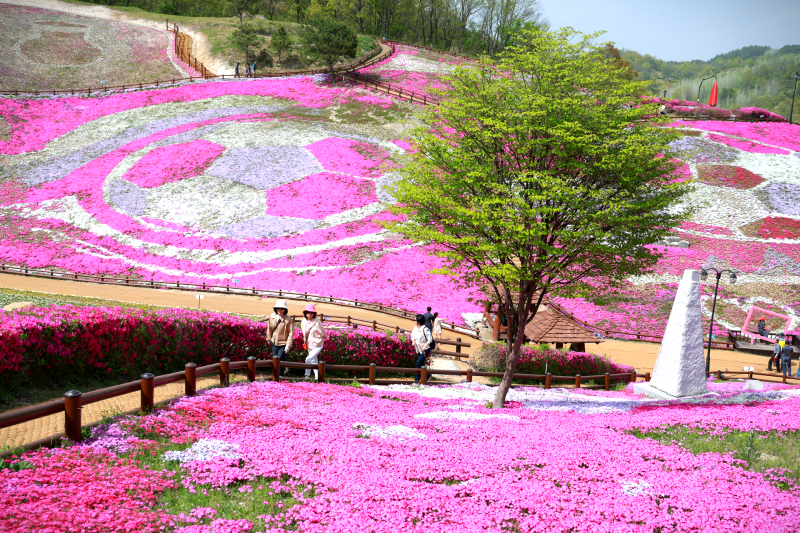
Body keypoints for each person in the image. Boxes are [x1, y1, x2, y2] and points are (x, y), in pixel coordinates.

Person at [301, 304, 328, 381]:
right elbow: (304, 332)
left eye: (311, 312)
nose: (310, 314)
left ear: (314, 313)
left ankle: (307, 375)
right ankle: (317, 377)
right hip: (309, 344)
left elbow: (323, 331)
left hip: (318, 344)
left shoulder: (317, 321)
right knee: (313, 360)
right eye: (308, 312)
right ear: (305, 313)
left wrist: (323, 337)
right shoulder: (303, 321)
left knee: (308, 359)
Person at [267, 299, 294, 376]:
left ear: (285, 309)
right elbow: (269, 328)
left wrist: (288, 344)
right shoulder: (272, 316)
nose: (280, 310)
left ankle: (280, 374)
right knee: (274, 358)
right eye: (278, 308)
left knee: (280, 357)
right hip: (274, 341)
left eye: (282, 308)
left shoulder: (289, 319)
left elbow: (291, 332)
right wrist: (268, 338)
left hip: (283, 342)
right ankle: (277, 372)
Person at [411, 314, 433, 382]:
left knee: (419, 362)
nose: (414, 321)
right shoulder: (415, 328)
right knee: (421, 363)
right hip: (418, 349)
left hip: (425, 349)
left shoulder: (425, 329)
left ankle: (417, 378)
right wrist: (413, 341)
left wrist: (424, 346)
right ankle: (427, 375)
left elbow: (430, 339)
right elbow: (412, 336)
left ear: (419, 321)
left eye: (415, 320)